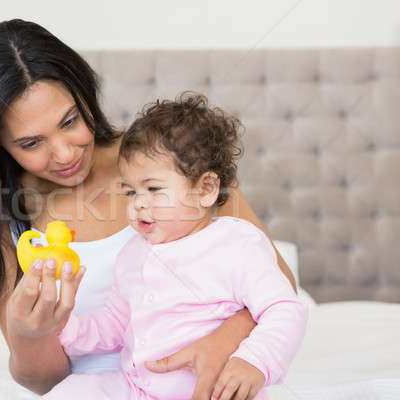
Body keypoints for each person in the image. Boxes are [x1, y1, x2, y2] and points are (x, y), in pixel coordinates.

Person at [0, 19, 298, 399]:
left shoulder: (173, 158)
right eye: (31, 143)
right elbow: (45, 380)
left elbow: (277, 285)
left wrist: (225, 339)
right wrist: (31, 332)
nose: (64, 153)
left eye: (70, 121)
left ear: (84, 93)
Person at [40, 93, 308, 400]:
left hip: (213, 390)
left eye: (153, 189)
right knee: (73, 391)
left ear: (206, 189)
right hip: (136, 388)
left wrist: (255, 362)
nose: (139, 203)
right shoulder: (133, 254)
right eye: (130, 192)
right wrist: (63, 326)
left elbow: (285, 308)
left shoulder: (238, 245)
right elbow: (114, 324)